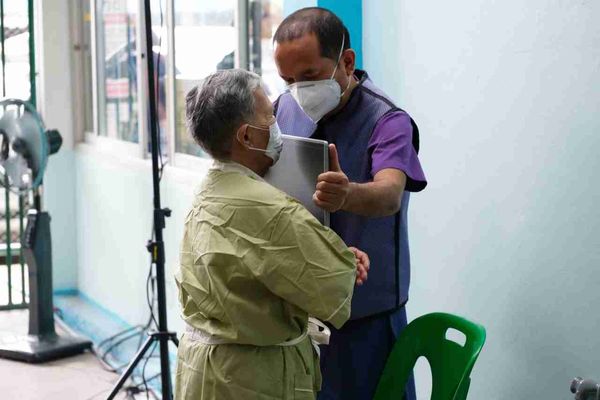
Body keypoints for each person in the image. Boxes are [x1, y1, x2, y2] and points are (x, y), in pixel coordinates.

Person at [174, 69, 370, 400]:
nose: (277, 127)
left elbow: (251, 271)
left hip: (202, 371)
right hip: (250, 380)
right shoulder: (272, 209)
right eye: (270, 118)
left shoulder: (209, 190)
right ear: (247, 137)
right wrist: (345, 262)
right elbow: (334, 282)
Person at [272, 7, 428, 400]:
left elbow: (390, 194)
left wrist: (348, 195)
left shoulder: (387, 120)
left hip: (366, 320)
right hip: (301, 314)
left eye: (309, 76)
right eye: (288, 79)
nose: (298, 90)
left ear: (347, 60)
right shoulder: (283, 109)